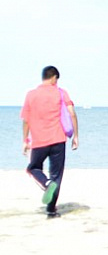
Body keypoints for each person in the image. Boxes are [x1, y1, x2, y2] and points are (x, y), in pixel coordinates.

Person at [21, 65, 78, 219]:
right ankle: (51, 211)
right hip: (58, 140)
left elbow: (26, 120)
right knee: (56, 176)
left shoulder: (31, 95)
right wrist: (75, 136)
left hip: (39, 141)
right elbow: (72, 114)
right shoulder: (61, 93)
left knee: (33, 168)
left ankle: (46, 184)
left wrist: (25, 140)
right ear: (53, 78)